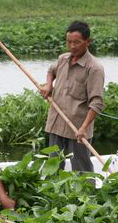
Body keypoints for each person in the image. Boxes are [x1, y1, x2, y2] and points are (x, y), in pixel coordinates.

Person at [39, 21, 105, 172]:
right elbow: (51, 70)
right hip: (56, 122)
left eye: (77, 42)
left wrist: (83, 128)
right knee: (53, 165)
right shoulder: (63, 59)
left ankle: (87, 194)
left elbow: (97, 102)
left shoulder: (94, 68)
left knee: (81, 167)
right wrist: (48, 85)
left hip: (77, 127)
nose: (72, 46)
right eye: (69, 42)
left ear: (87, 42)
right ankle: (53, 194)